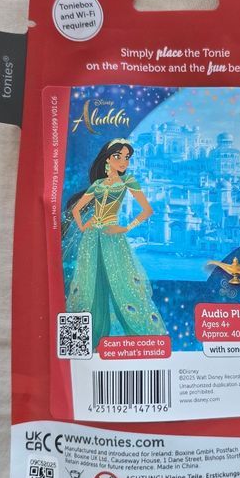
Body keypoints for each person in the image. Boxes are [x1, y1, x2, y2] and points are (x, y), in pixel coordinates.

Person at [65, 138, 167, 347]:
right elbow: (76, 210)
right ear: (107, 159)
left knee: (124, 286)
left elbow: (147, 210)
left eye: (127, 158)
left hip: (113, 237)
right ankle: (78, 345)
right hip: (91, 240)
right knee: (86, 286)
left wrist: (126, 228)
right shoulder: (97, 185)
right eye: (118, 156)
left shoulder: (127, 181)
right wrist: (84, 226)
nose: (123, 162)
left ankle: (140, 344)